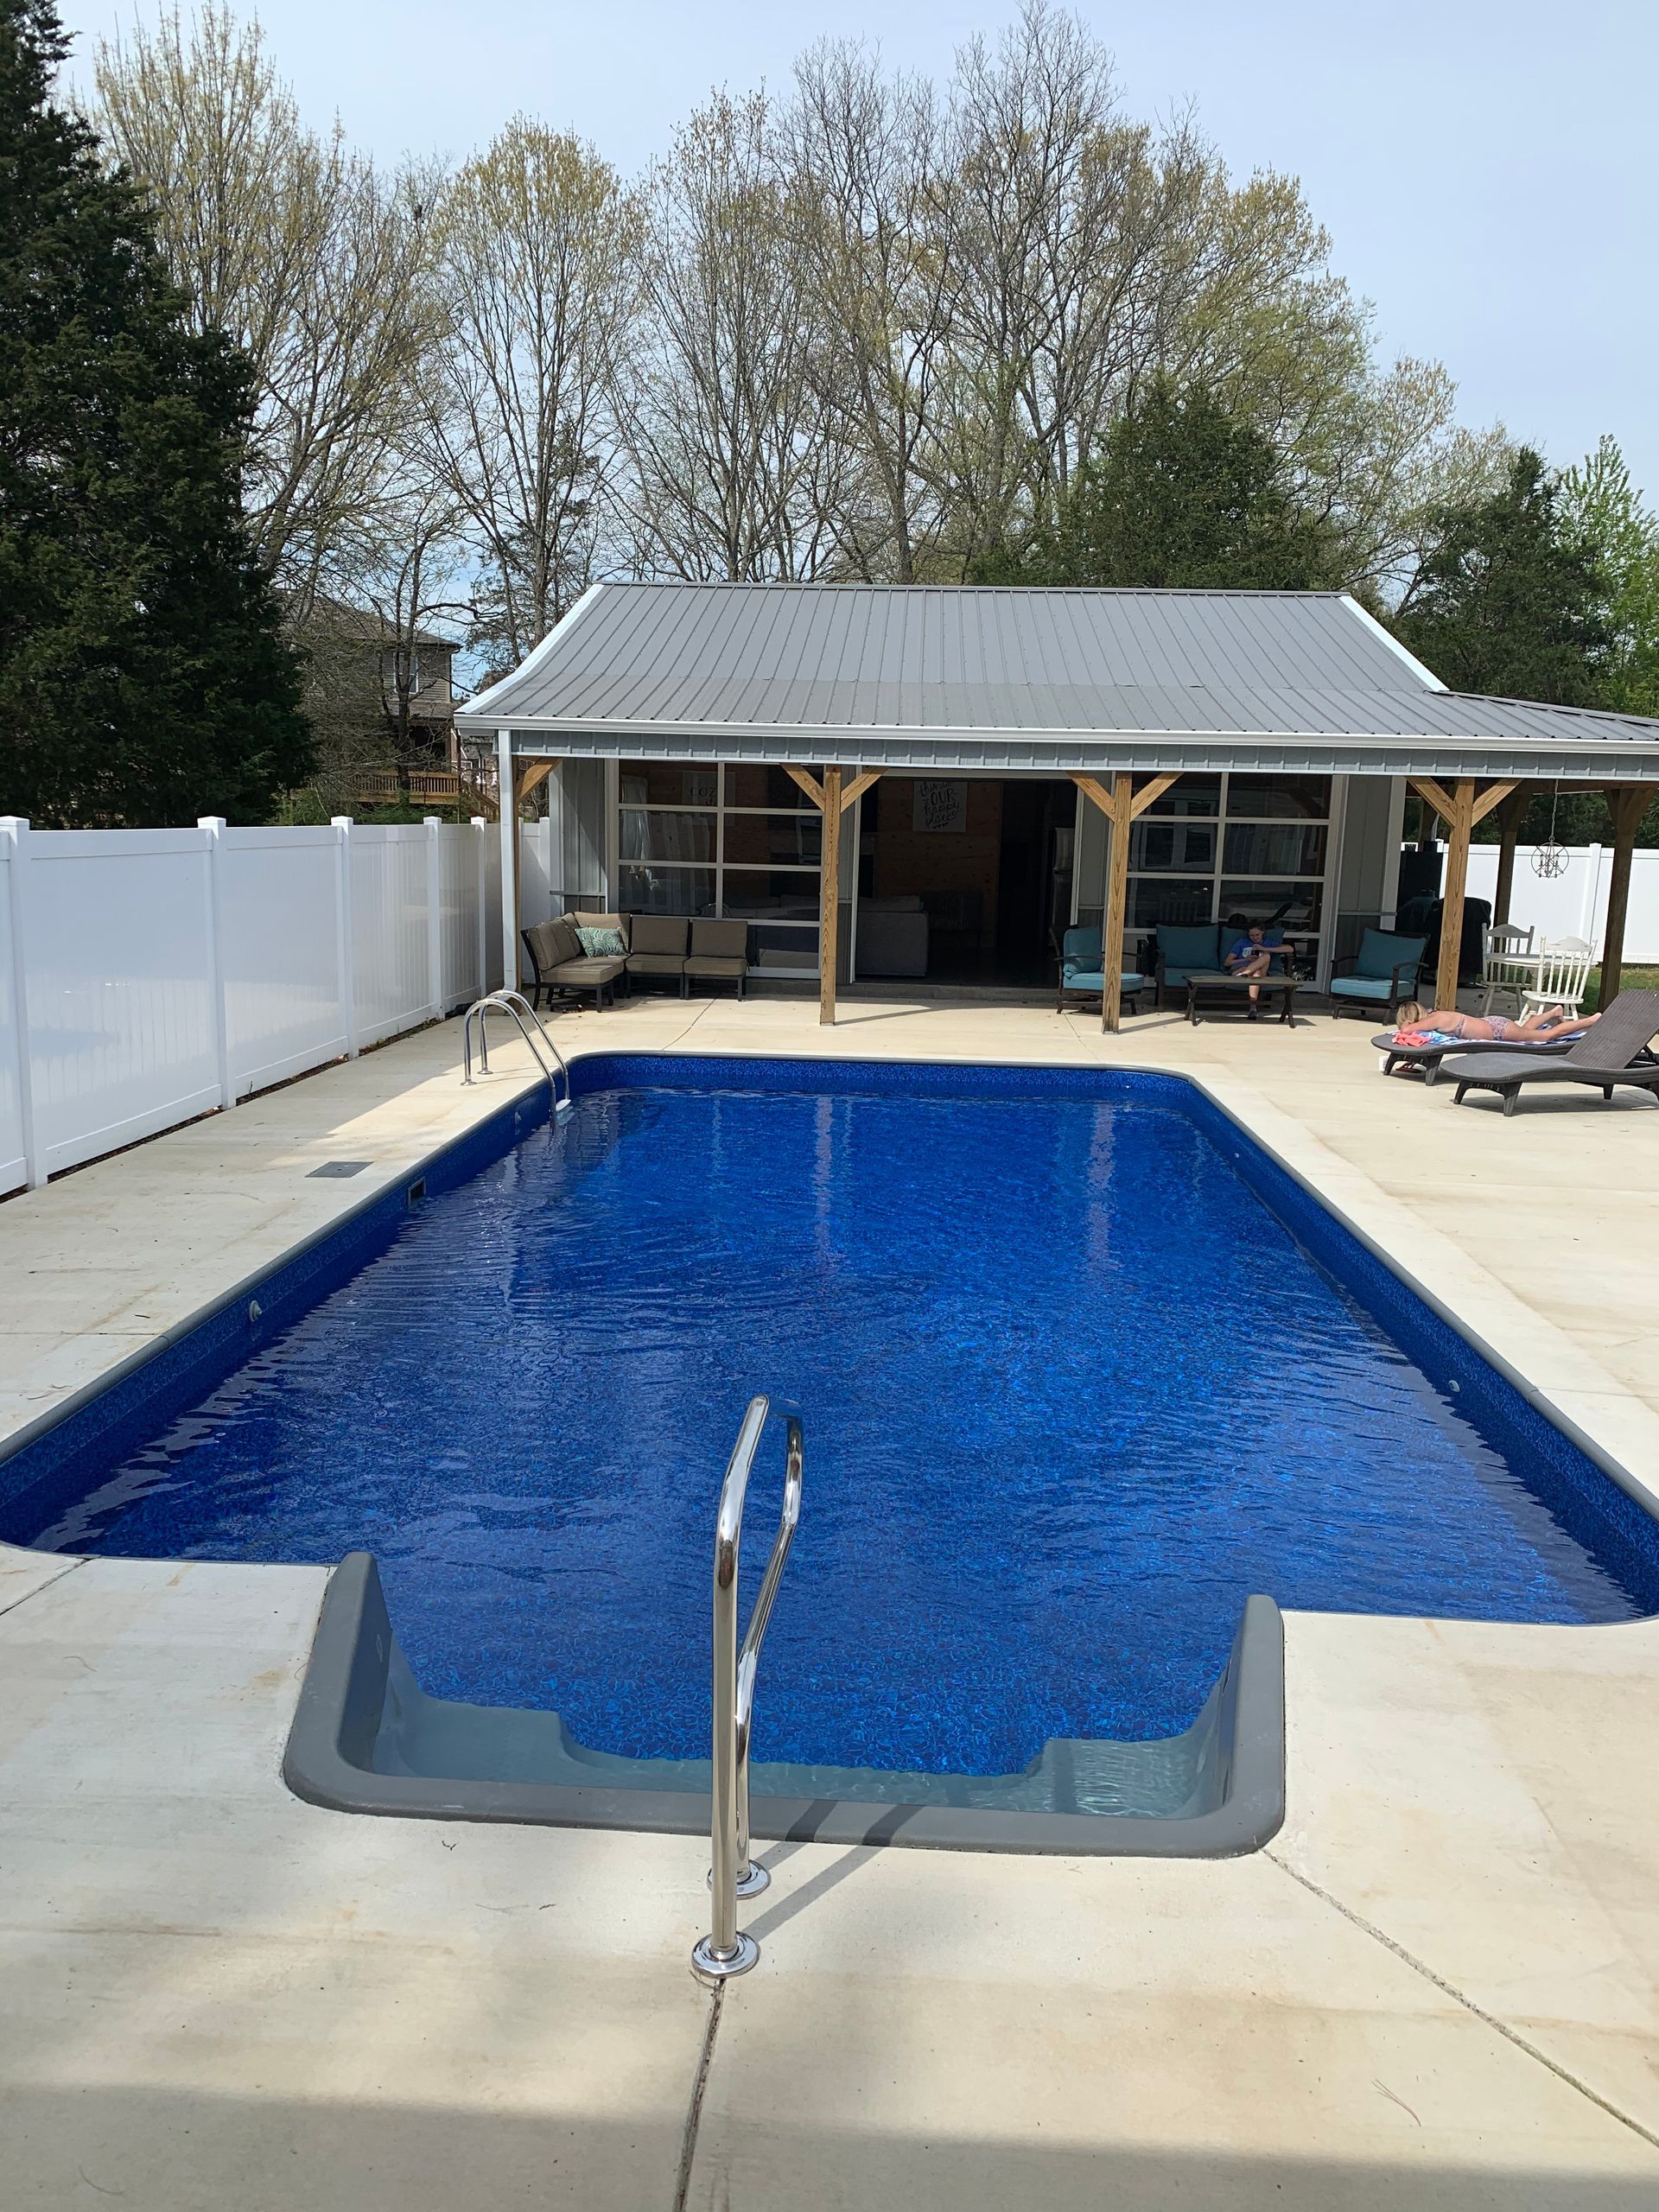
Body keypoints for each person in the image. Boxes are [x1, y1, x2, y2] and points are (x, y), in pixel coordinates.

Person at [1392, 1002, 1596, 1046]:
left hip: (1498, 1031)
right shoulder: (1434, 1017)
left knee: (1547, 1036)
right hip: (1494, 1025)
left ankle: (1591, 1020)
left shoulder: (1433, 1019)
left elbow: (1406, 1030)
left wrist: (1406, 1025)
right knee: (1526, 1029)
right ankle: (1554, 1011)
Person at [1224, 923, 1279, 1015]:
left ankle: (1246, 973)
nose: (1255, 938)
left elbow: (1289, 949)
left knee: (1266, 956)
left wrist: (1264, 948)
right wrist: (1246, 959)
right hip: (1241, 969)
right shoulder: (1242, 942)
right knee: (1256, 974)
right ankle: (1253, 1009)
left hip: (1256, 972)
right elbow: (1227, 962)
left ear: (1263, 932)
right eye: (1252, 935)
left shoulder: (1267, 943)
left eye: (1257, 935)